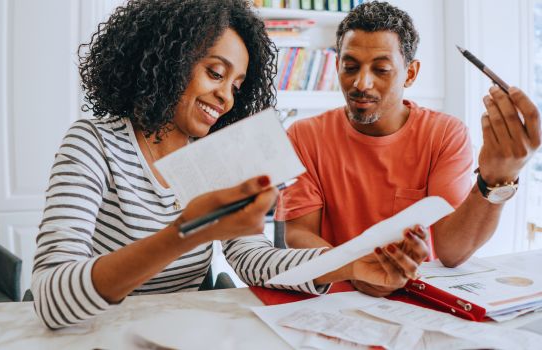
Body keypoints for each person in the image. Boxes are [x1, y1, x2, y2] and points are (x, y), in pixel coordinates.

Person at [31, 0, 429, 329]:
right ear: (168, 60)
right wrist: (187, 233)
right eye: (215, 73)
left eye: (237, 86)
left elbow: (256, 260)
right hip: (93, 332)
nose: (226, 98)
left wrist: (350, 263)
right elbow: (50, 297)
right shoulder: (94, 143)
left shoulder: (219, 155)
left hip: (175, 332)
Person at [276, 0, 541, 297]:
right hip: (334, 296)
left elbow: (451, 252)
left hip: (416, 297)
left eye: (382, 69)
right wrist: (353, 268)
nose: (361, 83)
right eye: (349, 67)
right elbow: (298, 233)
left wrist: (495, 179)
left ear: (411, 74)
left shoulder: (444, 134)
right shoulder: (303, 135)